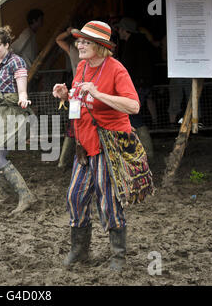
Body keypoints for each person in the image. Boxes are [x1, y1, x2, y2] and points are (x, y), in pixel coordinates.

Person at [52, 21, 154, 271]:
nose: (79, 44)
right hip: (84, 146)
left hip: (109, 145)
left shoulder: (116, 69)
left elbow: (134, 106)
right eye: (79, 40)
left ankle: (118, 255)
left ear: (100, 46)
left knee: (108, 201)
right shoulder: (83, 67)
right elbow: (80, 98)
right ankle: (79, 251)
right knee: (75, 197)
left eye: (85, 41)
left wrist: (99, 94)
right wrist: (66, 95)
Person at [0, 25, 36, 216]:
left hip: (12, 114)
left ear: (7, 44)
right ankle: (9, 194)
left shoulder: (17, 62)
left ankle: (26, 195)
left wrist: (23, 97)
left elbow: (22, 89)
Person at [115, 17, 155, 160]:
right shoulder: (140, 42)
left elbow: (127, 67)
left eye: (119, 29)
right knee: (132, 116)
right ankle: (141, 149)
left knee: (133, 116)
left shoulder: (132, 44)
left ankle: (146, 151)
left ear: (126, 30)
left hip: (137, 85)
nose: (118, 31)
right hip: (142, 84)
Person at [55, 25, 82, 168]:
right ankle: (68, 159)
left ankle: (63, 161)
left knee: (73, 125)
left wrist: (67, 32)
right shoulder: (75, 49)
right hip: (79, 93)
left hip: (77, 92)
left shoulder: (72, 49)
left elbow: (58, 39)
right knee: (76, 125)